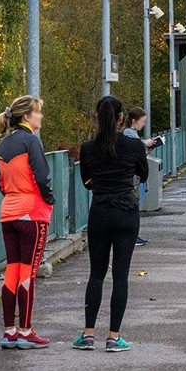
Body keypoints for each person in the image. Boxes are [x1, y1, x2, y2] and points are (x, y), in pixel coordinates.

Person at [74, 96, 150, 352]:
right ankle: (114, 337)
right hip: (126, 213)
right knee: (120, 275)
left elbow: (87, 181)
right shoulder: (133, 145)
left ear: (98, 117)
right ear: (121, 119)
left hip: (100, 212)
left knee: (96, 274)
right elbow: (143, 174)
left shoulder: (88, 148)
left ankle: (87, 335)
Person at [0, 95, 54, 349]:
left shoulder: (3, 144)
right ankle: (26, 331)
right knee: (28, 272)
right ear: (27, 116)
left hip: (8, 212)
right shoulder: (31, 141)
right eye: (38, 112)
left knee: (12, 271)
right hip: (32, 212)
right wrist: (49, 200)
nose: (40, 116)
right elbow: (42, 176)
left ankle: (9, 331)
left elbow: (0, 181)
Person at [122, 106, 161, 244]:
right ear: (134, 120)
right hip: (135, 176)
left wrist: (145, 151)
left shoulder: (131, 133)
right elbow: (134, 147)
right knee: (134, 207)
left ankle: (134, 235)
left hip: (136, 174)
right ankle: (132, 236)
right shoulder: (129, 133)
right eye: (142, 121)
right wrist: (145, 144)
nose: (143, 124)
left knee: (135, 207)